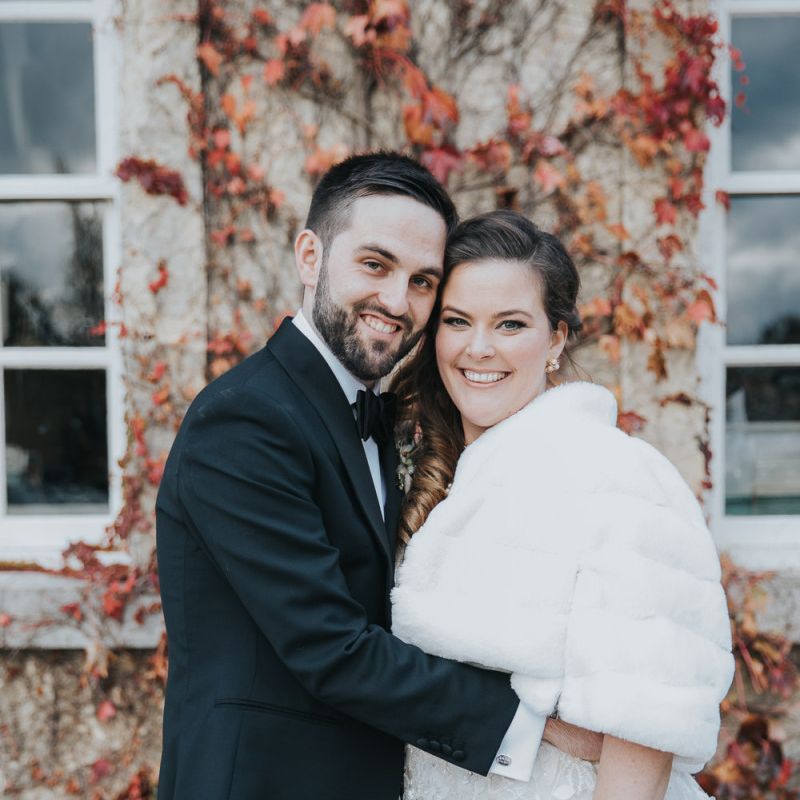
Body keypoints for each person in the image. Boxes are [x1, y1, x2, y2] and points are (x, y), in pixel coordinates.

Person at [155, 155, 594, 800]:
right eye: (375, 264)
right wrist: (539, 727)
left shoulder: (375, 419)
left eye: (422, 281)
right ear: (310, 256)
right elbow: (332, 646)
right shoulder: (245, 419)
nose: (396, 301)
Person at [390, 209, 735, 800]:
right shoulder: (441, 480)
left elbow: (644, 731)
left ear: (555, 338)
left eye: (510, 325)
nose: (479, 348)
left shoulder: (617, 476)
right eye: (457, 320)